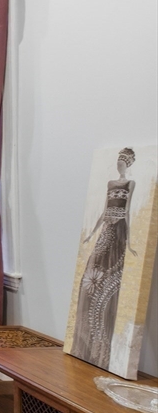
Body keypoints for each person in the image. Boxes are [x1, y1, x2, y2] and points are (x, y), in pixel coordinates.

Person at [70, 147, 137, 369]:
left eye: (122, 162)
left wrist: (129, 241)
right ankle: (87, 338)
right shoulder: (110, 183)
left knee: (112, 273)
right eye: (118, 161)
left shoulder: (130, 184)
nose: (119, 164)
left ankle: (107, 343)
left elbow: (127, 211)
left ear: (127, 164)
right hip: (107, 227)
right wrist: (91, 233)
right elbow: (105, 209)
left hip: (119, 229)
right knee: (94, 270)